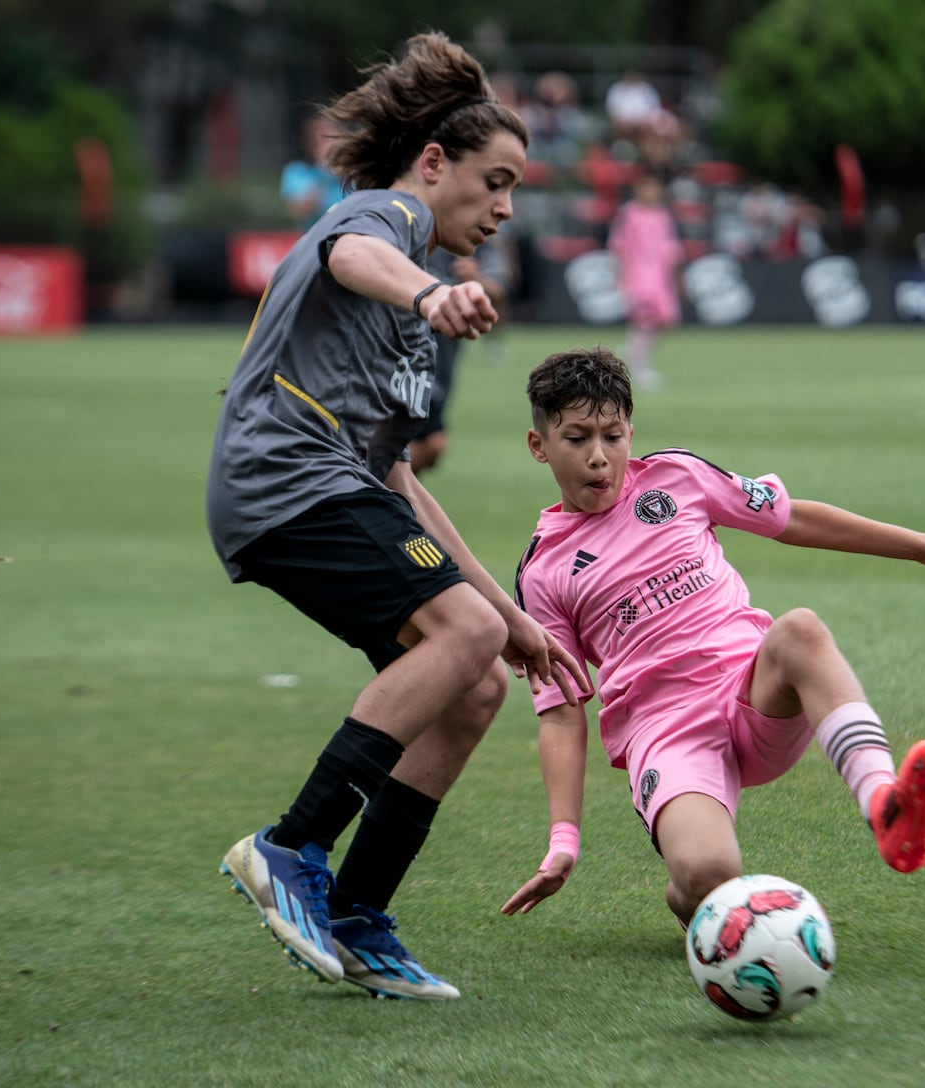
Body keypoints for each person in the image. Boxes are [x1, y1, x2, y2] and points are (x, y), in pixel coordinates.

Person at [206, 31, 589, 1001]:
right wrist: (429, 289)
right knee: (456, 631)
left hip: (332, 482)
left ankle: (358, 914)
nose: (504, 207)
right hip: (283, 474)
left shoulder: (409, 308)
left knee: (475, 682)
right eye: (493, 180)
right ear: (432, 163)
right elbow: (349, 250)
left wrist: (513, 617)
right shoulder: (387, 219)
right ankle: (288, 846)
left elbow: (402, 478)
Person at [502, 348, 925, 928]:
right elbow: (562, 712)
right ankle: (689, 895)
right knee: (708, 874)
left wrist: (924, 547)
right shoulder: (542, 572)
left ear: (631, 433)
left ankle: (885, 807)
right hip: (666, 731)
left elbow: (791, 519)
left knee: (800, 629)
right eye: (576, 438)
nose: (598, 457)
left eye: (612, 436)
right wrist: (563, 841)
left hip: (751, 690)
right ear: (539, 445)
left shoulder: (678, 476)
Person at [408, 230, 516, 475]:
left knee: (429, 445)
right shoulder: (408, 226)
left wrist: (477, 279)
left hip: (442, 352)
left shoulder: (480, 233)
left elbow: (500, 290)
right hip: (402, 355)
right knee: (428, 442)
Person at [606, 174, 683, 390]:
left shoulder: (663, 215)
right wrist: (618, 275)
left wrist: (675, 278)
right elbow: (619, 246)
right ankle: (639, 368)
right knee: (643, 319)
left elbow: (671, 249)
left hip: (660, 276)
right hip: (638, 274)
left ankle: (633, 352)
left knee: (666, 321)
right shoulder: (630, 213)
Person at [279, 115, 346, 228]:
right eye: (319, 142)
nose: (326, 147)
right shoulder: (297, 171)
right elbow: (298, 211)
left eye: (331, 139)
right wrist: (324, 173)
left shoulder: (355, 173)